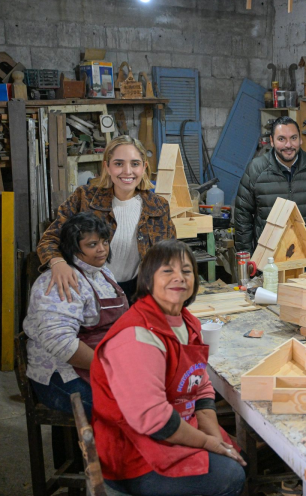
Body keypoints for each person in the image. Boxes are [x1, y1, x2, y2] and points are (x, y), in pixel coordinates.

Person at [91, 240, 246, 496]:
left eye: (186, 271)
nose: (179, 277)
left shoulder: (188, 322)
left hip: (176, 426)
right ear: (147, 279)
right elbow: (155, 421)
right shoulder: (136, 336)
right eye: (167, 270)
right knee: (230, 476)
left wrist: (215, 439)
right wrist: (208, 443)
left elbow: (200, 383)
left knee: (237, 457)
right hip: (134, 453)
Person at [37, 135, 176, 300]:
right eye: (118, 164)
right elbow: (49, 240)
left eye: (135, 164)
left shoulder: (158, 206)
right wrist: (57, 263)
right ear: (107, 167)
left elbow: (171, 254)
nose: (127, 171)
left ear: (144, 167)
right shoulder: (84, 198)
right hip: (87, 291)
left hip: (139, 294)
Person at [24, 213, 128, 417]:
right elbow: (60, 342)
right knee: (133, 411)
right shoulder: (61, 282)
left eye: (105, 242)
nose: (102, 249)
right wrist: (108, 367)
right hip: (62, 375)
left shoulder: (104, 273)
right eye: (92, 244)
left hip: (98, 365)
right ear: (73, 247)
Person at [235, 116, 306, 255]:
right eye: (281, 139)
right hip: (269, 257)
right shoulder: (256, 169)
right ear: (272, 141)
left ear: (300, 139)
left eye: (293, 138)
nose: (288, 145)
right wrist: (246, 256)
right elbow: (242, 216)